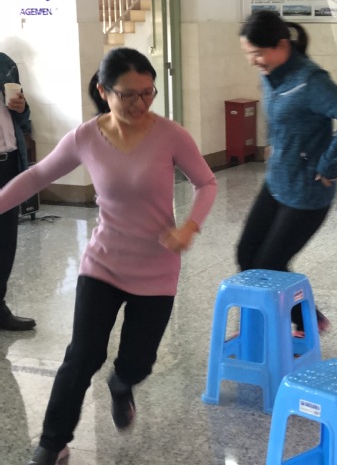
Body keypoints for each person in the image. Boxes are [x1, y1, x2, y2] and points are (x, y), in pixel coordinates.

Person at [0, 47, 218, 465]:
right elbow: (37, 176)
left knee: (138, 362)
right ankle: (52, 443)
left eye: (148, 93)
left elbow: (207, 183)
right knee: (81, 357)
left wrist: (189, 227)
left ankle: (122, 384)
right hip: (103, 263)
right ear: (103, 91)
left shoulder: (171, 135)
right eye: (128, 95)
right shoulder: (85, 137)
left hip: (157, 268)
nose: (140, 103)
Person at [237, 10, 337, 335]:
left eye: (257, 53)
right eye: (249, 54)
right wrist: (274, 144)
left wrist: (329, 163)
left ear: (281, 46)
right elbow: (280, 117)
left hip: (307, 192)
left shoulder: (310, 81)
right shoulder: (271, 74)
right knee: (247, 255)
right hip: (277, 182)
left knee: (269, 264)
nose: (253, 61)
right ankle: (263, 328)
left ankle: (306, 323)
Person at [0, 53, 36, 331]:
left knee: (5, 239)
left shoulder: (4, 63)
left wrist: (22, 107)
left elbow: (24, 117)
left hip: (8, 163)